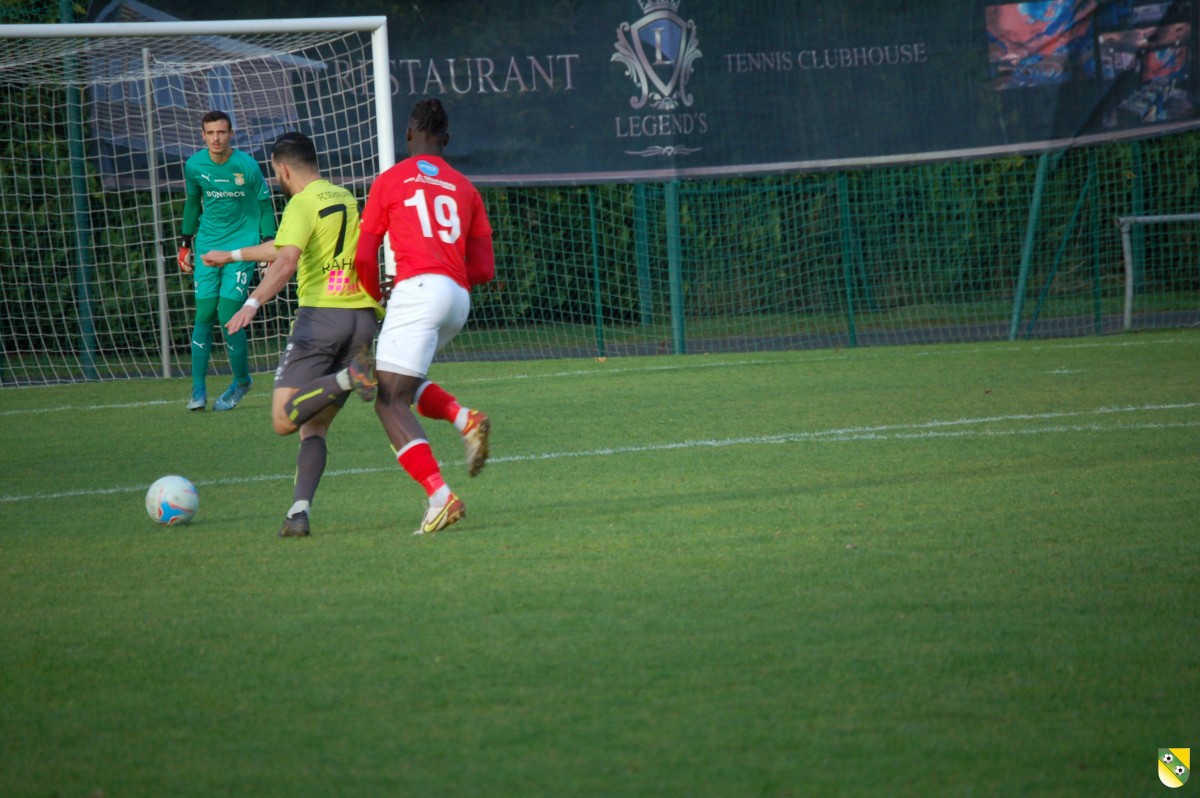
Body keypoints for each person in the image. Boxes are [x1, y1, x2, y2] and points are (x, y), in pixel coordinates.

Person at [202, 131, 381, 538]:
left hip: (322, 320)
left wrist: (253, 302)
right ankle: (298, 513)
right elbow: (286, 247)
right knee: (312, 426)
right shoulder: (344, 197)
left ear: (282, 169)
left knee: (283, 419)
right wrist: (231, 256)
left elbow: (286, 262)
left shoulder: (300, 203)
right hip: (362, 321)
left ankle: (349, 377)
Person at [353, 98, 495, 535]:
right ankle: (462, 417)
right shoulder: (466, 188)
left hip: (418, 291)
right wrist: (447, 277)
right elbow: (485, 269)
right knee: (402, 382)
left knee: (387, 398)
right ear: (446, 140)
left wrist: (378, 301)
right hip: (457, 298)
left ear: (409, 134)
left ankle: (440, 496)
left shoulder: (390, 180)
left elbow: (364, 256)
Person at [178, 110, 277, 412]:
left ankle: (242, 381)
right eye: (211, 133)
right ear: (202, 135)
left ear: (230, 134)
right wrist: (184, 244)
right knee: (204, 314)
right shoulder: (194, 165)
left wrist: (269, 245)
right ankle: (198, 390)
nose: (216, 138)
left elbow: (264, 207)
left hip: (242, 248)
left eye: (222, 132)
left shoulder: (246, 166)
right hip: (208, 244)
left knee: (228, 317)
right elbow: (193, 203)